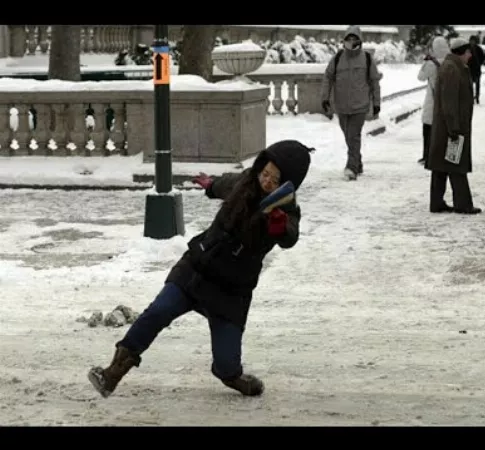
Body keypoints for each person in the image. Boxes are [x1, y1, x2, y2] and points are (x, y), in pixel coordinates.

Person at [87, 140, 314, 398]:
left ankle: (231, 376)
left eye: (275, 179)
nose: (267, 180)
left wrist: (280, 224)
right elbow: (224, 183)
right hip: (196, 269)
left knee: (227, 361)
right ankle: (112, 374)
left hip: (230, 292)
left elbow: (290, 236)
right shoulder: (244, 182)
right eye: (265, 173)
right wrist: (210, 185)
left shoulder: (286, 210)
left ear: (288, 184)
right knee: (157, 312)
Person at [426, 37, 481, 215]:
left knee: (441, 166)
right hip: (450, 127)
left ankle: (437, 202)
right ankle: (463, 204)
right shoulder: (452, 68)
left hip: (448, 126)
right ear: (461, 52)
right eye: (468, 52)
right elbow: (449, 102)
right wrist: (454, 128)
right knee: (456, 165)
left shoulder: (453, 66)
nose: (470, 55)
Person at [321, 25, 382, 181]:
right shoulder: (338, 58)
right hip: (341, 106)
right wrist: (325, 98)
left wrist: (376, 103)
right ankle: (358, 161)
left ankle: (351, 168)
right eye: (349, 39)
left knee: (353, 136)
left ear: (360, 40)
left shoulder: (367, 59)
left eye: (355, 39)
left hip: (360, 106)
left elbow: (375, 82)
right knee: (349, 137)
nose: (352, 41)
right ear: (345, 40)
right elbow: (328, 77)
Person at [417, 36, 450, 165]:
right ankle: (442, 155)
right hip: (446, 100)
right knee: (443, 131)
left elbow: (420, 77)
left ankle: (427, 156)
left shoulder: (431, 64)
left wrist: (426, 61)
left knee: (428, 129)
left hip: (433, 100)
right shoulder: (449, 62)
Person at [468, 35, 485, 104]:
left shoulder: (478, 49)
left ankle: (477, 97)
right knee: (470, 85)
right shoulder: (467, 48)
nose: (472, 42)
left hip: (476, 69)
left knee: (477, 84)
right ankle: (471, 97)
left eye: (473, 41)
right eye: (471, 41)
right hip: (470, 69)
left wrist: (480, 63)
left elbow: (483, 57)